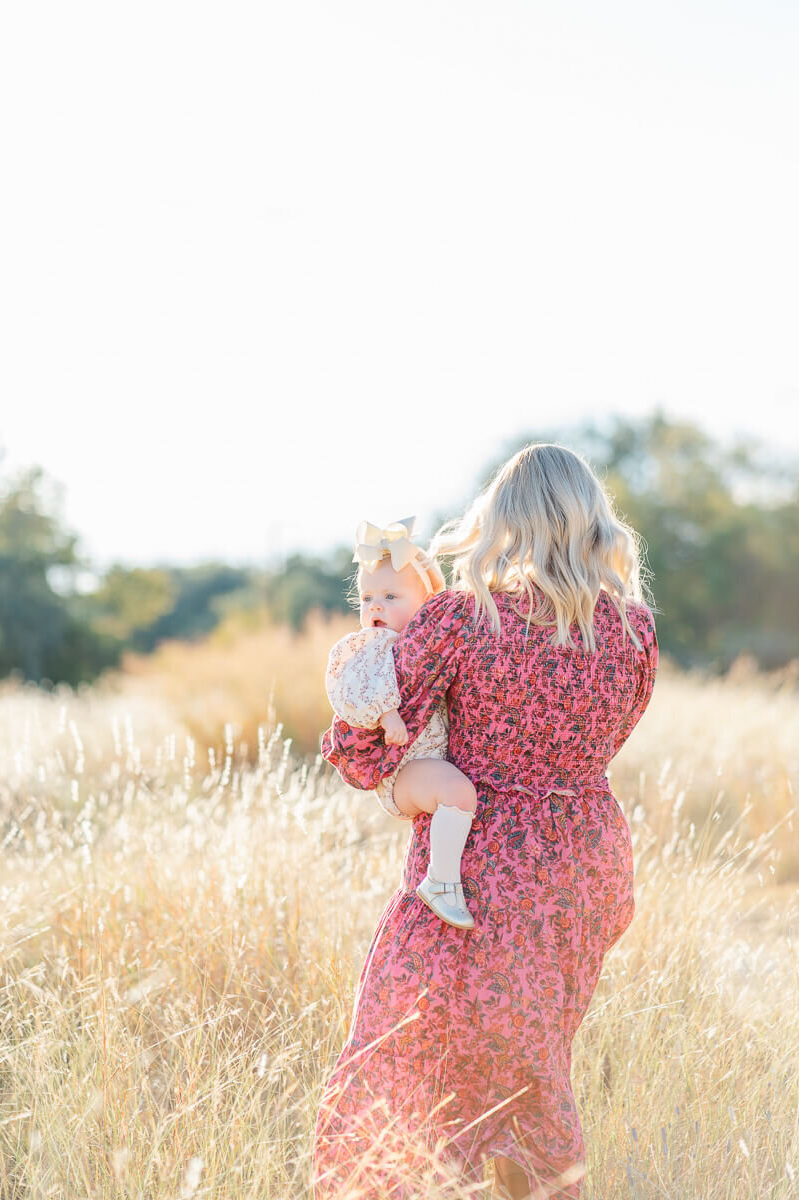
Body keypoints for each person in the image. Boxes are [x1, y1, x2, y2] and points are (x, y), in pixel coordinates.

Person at [312, 442, 659, 1200]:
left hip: (477, 871)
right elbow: (606, 746)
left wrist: (405, 787)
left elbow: (358, 733)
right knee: (529, 1069)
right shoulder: (633, 634)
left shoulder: (465, 617)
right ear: (592, 523)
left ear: (499, 520)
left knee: (402, 1064)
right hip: (583, 869)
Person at [325, 516, 479, 929]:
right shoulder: (367, 645)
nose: (376, 606)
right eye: (367, 597)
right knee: (457, 793)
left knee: (456, 792)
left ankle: (442, 875)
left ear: (429, 601)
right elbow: (346, 687)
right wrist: (385, 712)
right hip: (402, 771)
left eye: (391, 595)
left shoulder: (427, 644)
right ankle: (441, 882)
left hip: (426, 758)